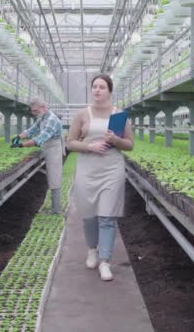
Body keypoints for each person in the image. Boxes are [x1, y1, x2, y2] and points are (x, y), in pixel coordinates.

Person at [66, 74, 134, 281]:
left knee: (107, 216)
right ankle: (91, 250)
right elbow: (69, 143)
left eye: (101, 87)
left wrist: (116, 139)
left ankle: (105, 261)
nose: (97, 90)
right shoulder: (82, 114)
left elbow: (130, 144)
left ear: (109, 91)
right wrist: (89, 146)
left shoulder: (119, 115)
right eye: (94, 86)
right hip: (87, 168)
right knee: (88, 214)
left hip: (111, 168)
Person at [11, 98, 64, 214]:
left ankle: (56, 210)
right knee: (50, 176)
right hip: (47, 147)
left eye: (35, 111)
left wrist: (21, 145)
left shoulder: (52, 120)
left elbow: (40, 139)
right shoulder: (42, 117)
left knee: (54, 177)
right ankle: (54, 208)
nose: (33, 113)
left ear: (43, 107)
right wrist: (19, 137)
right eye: (32, 111)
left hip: (53, 149)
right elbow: (32, 130)